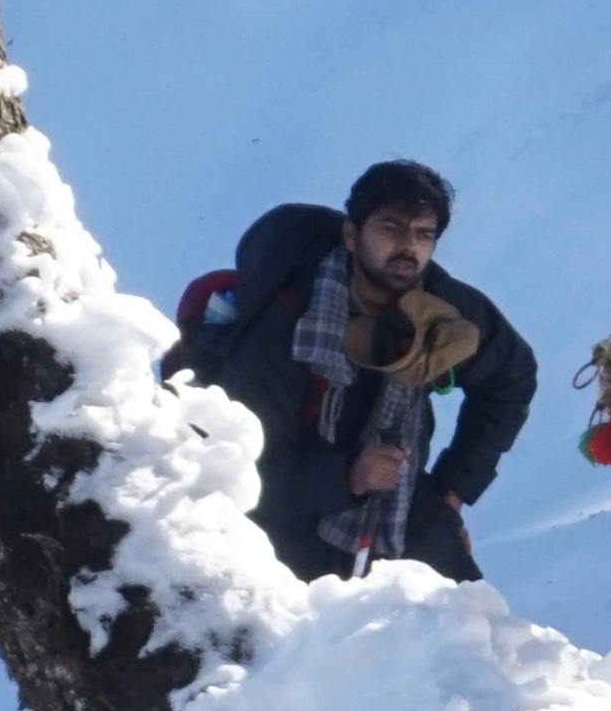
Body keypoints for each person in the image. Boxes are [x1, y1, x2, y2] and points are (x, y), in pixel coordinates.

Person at [187, 160, 537, 585]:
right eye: (391, 228)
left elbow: (511, 375)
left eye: (424, 234)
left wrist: (453, 489)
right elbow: (246, 473)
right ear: (352, 235)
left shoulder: (441, 313)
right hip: (279, 529)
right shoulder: (286, 327)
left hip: (398, 511)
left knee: (481, 639)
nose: (409, 247)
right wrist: (349, 477)